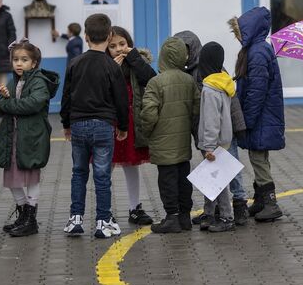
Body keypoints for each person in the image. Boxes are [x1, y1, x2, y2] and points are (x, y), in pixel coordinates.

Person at [60, 13, 129, 239]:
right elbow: (121, 99)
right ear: (109, 36)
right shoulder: (112, 66)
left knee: (78, 172)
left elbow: (67, 96)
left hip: (78, 124)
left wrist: (66, 123)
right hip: (104, 125)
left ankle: (75, 219)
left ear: (86, 36)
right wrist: (122, 126)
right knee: (102, 175)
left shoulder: (75, 63)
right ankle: (103, 221)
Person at [0, 40, 60, 237]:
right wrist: (3, 98)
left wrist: (7, 103)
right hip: (13, 137)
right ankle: (23, 214)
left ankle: (30, 219)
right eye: (15, 59)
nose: (19, 63)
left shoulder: (38, 81)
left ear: (34, 63)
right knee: (12, 178)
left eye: (24, 60)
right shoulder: (15, 81)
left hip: (31, 138)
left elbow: (32, 104)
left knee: (31, 175)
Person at [230, 7, 286, 222]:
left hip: (261, 118)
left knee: (258, 157)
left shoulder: (257, 52)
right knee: (258, 156)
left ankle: (270, 203)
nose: (237, 37)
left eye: (240, 32)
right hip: (263, 117)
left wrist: (247, 120)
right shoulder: (258, 49)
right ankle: (261, 200)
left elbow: (256, 91)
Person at [139, 37, 200, 234]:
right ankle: (184, 217)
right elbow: (196, 111)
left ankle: (171, 217)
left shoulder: (156, 82)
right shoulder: (189, 80)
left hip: (163, 143)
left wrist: (146, 132)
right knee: (184, 179)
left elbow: (149, 112)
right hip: (183, 143)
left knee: (167, 181)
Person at [108, 27, 155, 226]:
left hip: (131, 119)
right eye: (112, 46)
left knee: (131, 164)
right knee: (105, 167)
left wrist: (134, 57)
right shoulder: (103, 64)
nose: (118, 49)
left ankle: (134, 207)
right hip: (110, 121)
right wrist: (112, 69)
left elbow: (151, 79)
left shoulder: (136, 60)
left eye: (122, 44)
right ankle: (105, 210)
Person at [197, 42, 237, 232]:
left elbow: (212, 120)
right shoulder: (223, 83)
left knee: (218, 181)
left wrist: (209, 146)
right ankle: (210, 213)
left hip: (213, 142)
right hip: (224, 139)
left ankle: (227, 217)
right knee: (211, 178)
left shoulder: (210, 89)